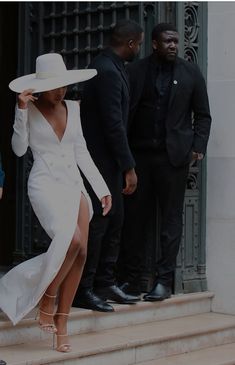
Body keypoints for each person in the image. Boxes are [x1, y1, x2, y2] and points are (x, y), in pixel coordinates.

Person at [0, 53, 112, 352]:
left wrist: (101, 188)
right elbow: (20, 150)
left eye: (63, 85)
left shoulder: (73, 109)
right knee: (71, 241)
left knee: (82, 251)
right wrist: (21, 110)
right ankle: (47, 296)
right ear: (39, 87)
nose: (60, 91)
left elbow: (81, 152)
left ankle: (62, 323)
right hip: (45, 185)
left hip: (74, 186)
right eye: (53, 87)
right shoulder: (29, 110)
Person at [117, 23, 211, 300]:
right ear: (154, 44)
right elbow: (124, 112)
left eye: (176, 41)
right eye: (167, 41)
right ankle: (132, 280)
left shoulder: (191, 72)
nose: (173, 45)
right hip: (139, 158)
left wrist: (197, 146)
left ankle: (164, 282)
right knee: (135, 221)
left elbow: (203, 115)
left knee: (171, 221)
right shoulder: (135, 71)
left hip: (174, 159)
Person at [73, 20, 144, 312]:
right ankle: (83, 289)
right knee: (100, 225)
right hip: (100, 162)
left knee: (115, 222)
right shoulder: (105, 70)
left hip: (110, 163)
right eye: (138, 43)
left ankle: (105, 282)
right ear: (130, 43)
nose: (138, 49)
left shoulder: (113, 66)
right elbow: (113, 124)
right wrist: (129, 166)